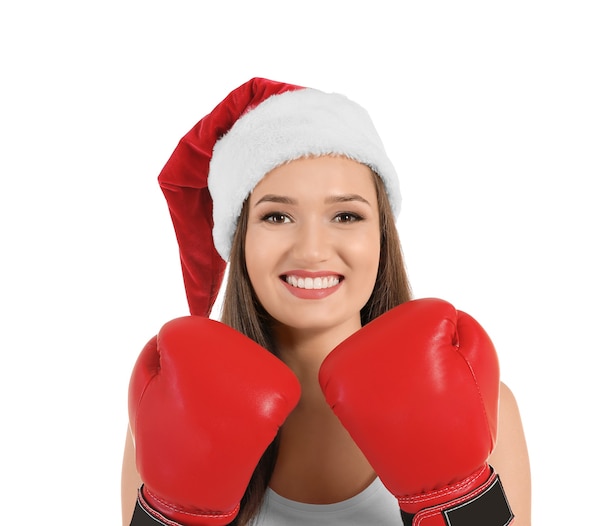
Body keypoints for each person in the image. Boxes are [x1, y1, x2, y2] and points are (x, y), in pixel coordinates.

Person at [121, 78, 532, 526]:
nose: (313, 249)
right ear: (239, 241)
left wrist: (460, 502)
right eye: (276, 216)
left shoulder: (482, 401)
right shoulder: (171, 416)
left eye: (345, 215)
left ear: (381, 237)